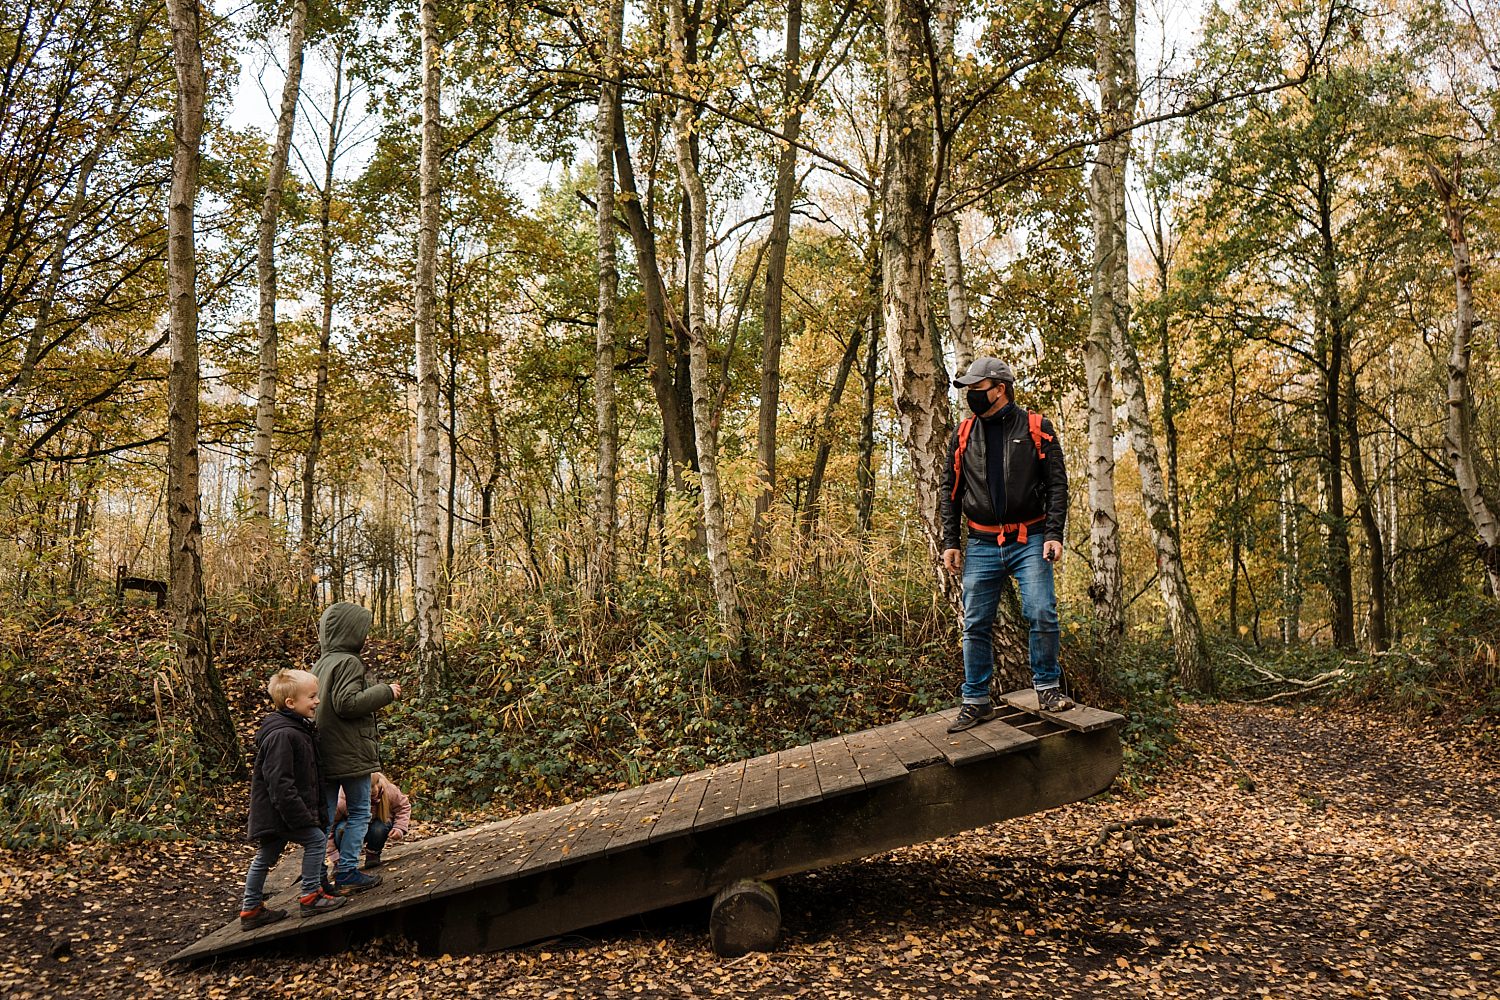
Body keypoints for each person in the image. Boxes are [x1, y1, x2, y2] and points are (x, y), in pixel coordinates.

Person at [940, 356, 1073, 733]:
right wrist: (952, 541)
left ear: (1000, 389)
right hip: (981, 542)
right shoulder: (963, 434)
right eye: (967, 391)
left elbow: (1057, 485)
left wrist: (1053, 534)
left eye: (976, 390)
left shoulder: (1036, 427)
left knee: (1041, 612)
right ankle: (976, 701)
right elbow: (949, 492)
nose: (970, 397)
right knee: (976, 624)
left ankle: (1047, 688)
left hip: (1029, 538)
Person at [237, 669, 347, 930]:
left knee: (266, 855)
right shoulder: (283, 735)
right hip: (284, 810)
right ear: (290, 703)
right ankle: (310, 897)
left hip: (281, 811)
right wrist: (301, 816)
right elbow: (280, 782)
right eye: (311, 697)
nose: (317, 701)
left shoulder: (297, 728)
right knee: (316, 840)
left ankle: (251, 909)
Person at [310, 601, 401, 895]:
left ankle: (317, 878)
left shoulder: (321, 663)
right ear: (352, 632)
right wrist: (386, 692)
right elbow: (347, 704)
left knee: (324, 818)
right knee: (361, 811)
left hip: (325, 753)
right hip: (349, 754)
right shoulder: (349, 662)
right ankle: (348, 871)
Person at [327, 771, 410, 870]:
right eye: (367, 787)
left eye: (374, 785)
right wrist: (333, 853)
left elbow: (403, 808)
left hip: (376, 826)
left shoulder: (389, 790)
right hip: (351, 828)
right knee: (341, 829)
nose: (372, 790)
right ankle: (343, 860)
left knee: (380, 827)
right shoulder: (342, 801)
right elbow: (329, 828)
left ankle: (373, 853)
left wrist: (399, 828)